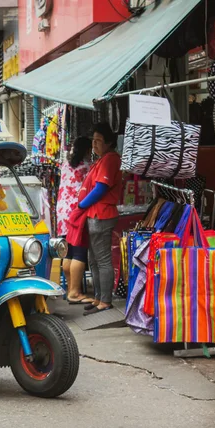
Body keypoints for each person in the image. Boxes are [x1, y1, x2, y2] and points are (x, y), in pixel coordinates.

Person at [79, 123, 123, 315]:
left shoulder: (110, 159)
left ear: (108, 143)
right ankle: (98, 297)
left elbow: (101, 188)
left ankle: (105, 300)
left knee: (102, 259)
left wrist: (82, 204)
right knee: (94, 259)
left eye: (98, 141)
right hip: (94, 214)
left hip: (101, 214)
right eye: (93, 140)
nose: (94, 144)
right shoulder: (102, 159)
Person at [56, 137, 92, 305]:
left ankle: (71, 288)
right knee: (79, 251)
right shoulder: (87, 167)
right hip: (76, 211)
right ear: (87, 150)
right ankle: (75, 293)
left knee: (68, 251)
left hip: (62, 211)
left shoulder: (65, 165)